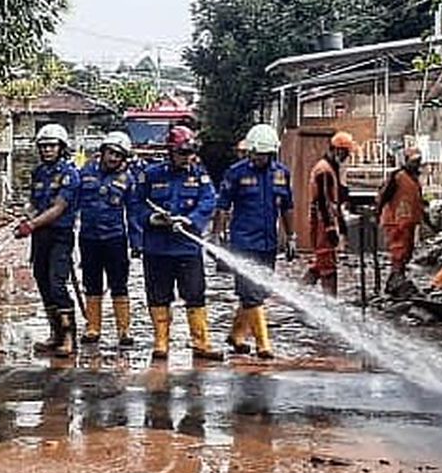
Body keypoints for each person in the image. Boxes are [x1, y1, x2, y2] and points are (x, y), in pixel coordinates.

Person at [134, 126, 224, 362]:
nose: (188, 158)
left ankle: (201, 343)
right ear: (171, 151)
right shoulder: (151, 174)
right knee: (158, 295)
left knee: (195, 294)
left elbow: (208, 201)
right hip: (157, 247)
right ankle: (161, 342)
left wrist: (190, 220)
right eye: (183, 153)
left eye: (191, 153)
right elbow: (136, 203)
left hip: (187, 247)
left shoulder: (199, 175)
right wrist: (151, 218)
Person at [215, 123, 293, 360]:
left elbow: (287, 207)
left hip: (268, 243)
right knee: (251, 294)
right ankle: (263, 344)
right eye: (255, 154)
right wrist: (219, 235)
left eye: (264, 155)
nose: (259, 158)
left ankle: (236, 336)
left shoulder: (281, 173)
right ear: (249, 151)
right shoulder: (236, 173)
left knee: (259, 291)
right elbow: (223, 206)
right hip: (243, 243)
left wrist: (291, 237)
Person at [15, 123, 81, 358]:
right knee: (43, 282)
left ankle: (69, 338)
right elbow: (34, 204)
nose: (46, 150)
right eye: (43, 146)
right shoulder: (39, 173)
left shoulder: (69, 174)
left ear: (61, 147)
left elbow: (58, 208)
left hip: (60, 236)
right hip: (40, 236)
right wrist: (26, 216)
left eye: (51, 146)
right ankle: (55, 334)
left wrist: (31, 225)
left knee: (57, 284)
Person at [78, 131, 142, 347]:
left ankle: (124, 330)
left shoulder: (128, 179)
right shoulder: (85, 172)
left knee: (119, 284)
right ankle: (93, 328)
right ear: (102, 151)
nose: (113, 158)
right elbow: (71, 201)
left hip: (115, 238)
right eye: (110, 153)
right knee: (91, 283)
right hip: (88, 238)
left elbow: (133, 213)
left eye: (118, 155)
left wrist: (136, 243)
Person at [303, 131, 357, 296]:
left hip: (324, 220)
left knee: (322, 261)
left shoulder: (329, 168)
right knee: (327, 265)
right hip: (322, 221)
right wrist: (330, 228)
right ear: (338, 151)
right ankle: (329, 302)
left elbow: (333, 199)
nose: (347, 157)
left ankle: (300, 292)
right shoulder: (324, 170)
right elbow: (324, 201)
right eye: (346, 153)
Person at [376, 146, 433, 297]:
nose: (416, 165)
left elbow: (418, 203)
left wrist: (427, 222)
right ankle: (396, 281)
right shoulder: (397, 176)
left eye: (418, 162)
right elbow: (383, 196)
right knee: (399, 253)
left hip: (408, 222)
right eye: (414, 161)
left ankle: (394, 283)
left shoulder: (415, 180)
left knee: (406, 253)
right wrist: (377, 213)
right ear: (406, 161)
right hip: (396, 221)